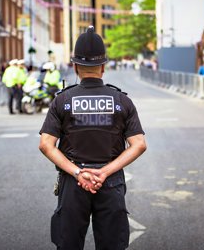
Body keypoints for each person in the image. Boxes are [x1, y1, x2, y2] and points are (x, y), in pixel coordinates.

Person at [39, 26, 147, 250]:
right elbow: (139, 144)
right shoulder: (121, 101)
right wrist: (105, 172)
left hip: (73, 181)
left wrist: (79, 173)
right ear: (103, 67)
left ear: (75, 66)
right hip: (110, 182)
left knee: (68, 244)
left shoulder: (62, 100)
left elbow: (46, 145)